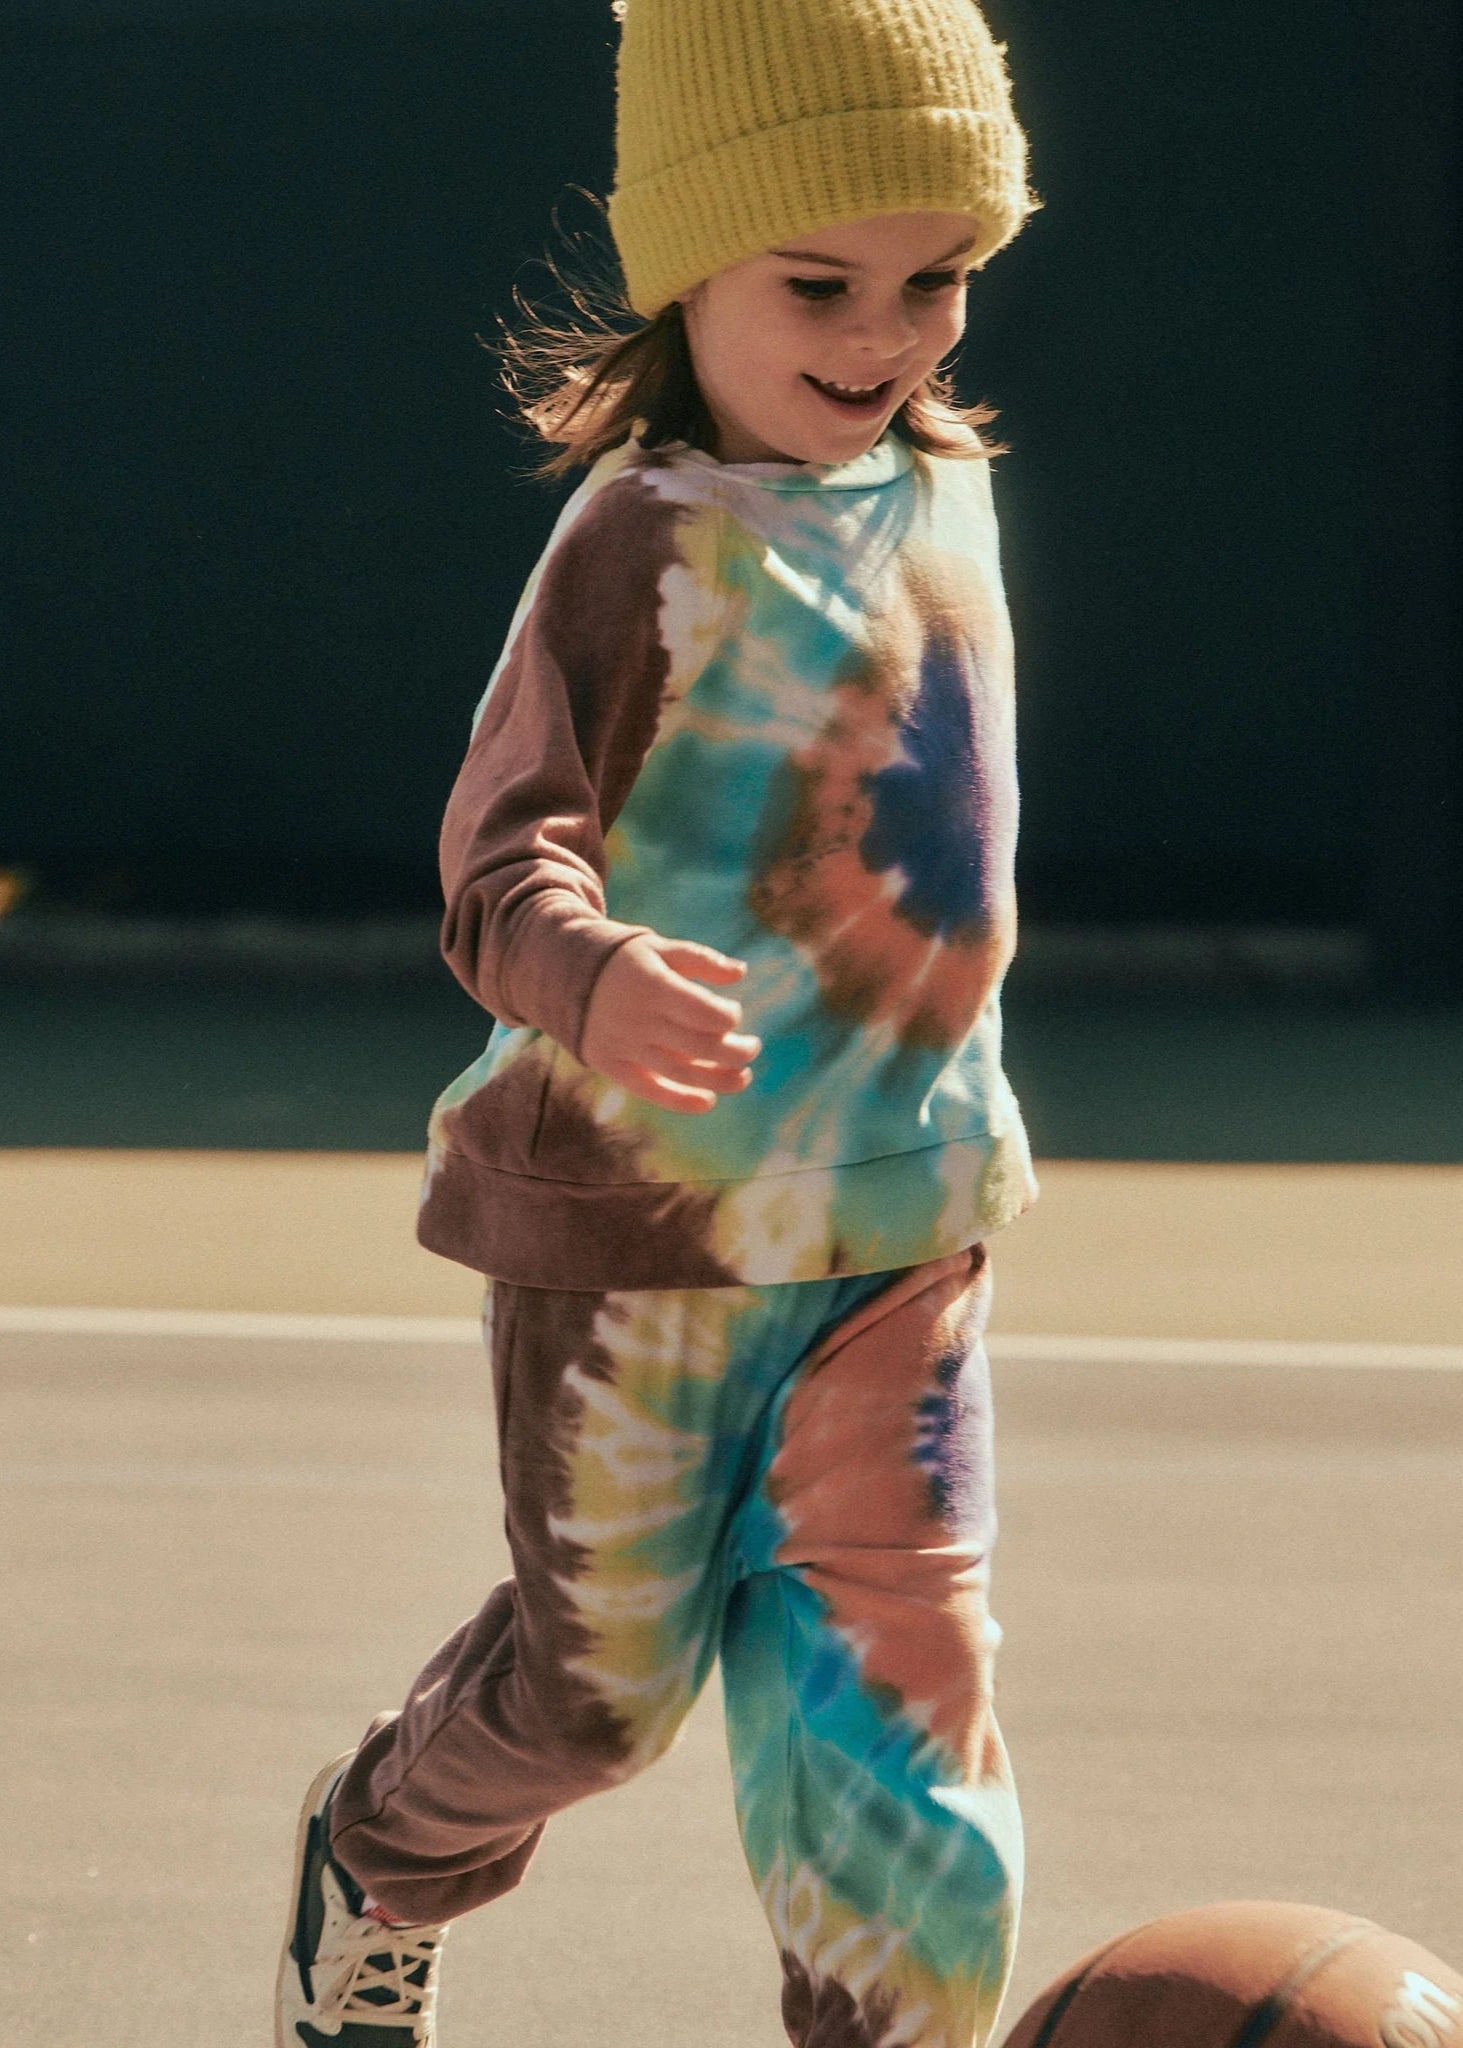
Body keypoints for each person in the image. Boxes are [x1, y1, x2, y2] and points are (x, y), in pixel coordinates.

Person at [276, 1, 1043, 2042]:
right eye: (819, 283)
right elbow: (495, 859)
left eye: (935, 280)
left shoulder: (943, 492)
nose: (885, 332)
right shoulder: (634, 543)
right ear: (684, 268)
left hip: (900, 1231)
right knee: (601, 1697)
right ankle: (375, 1849)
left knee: (906, 1679)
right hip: (637, 1247)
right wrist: (592, 978)